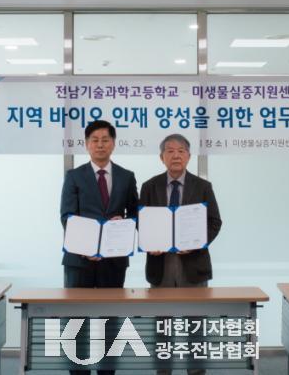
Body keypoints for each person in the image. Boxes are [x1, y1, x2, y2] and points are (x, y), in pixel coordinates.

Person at [60, 120, 138, 375]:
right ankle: (78, 371)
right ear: (86, 144)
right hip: (79, 260)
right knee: (76, 321)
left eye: (105, 140)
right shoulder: (74, 176)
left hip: (113, 261)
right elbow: (67, 216)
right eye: (95, 140)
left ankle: (107, 371)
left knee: (109, 319)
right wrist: (85, 245)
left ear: (113, 143)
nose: (100, 145)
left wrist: (123, 222)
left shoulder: (126, 176)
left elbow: (135, 214)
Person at [139, 134, 222, 375]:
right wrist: (148, 241)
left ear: (189, 156)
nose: (175, 155)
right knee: (162, 326)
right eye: (170, 151)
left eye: (181, 151)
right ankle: (163, 371)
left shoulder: (203, 186)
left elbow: (214, 222)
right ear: (161, 157)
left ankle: (196, 372)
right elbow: (142, 222)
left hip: (193, 265)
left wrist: (197, 243)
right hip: (160, 264)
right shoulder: (149, 186)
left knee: (196, 326)